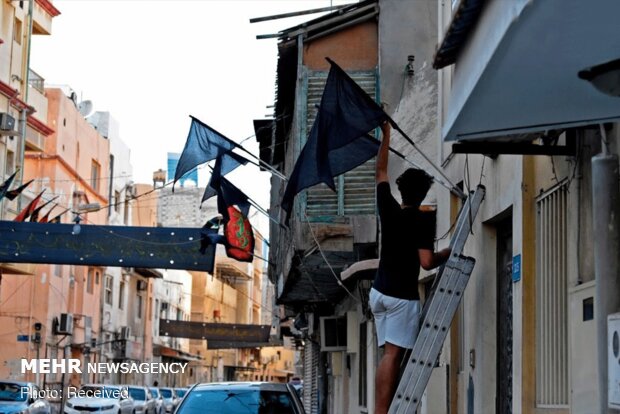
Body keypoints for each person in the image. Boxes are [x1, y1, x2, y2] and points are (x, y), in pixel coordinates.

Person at [370, 122, 451, 414]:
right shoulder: (422, 221)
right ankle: (382, 412)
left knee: (387, 354)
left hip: (378, 292)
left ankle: (382, 407)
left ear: (401, 191)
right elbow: (427, 262)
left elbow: (380, 172)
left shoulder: (388, 207)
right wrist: (448, 252)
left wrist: (386, 135)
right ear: (423, 194)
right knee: (394, 355)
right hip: (401, 297)